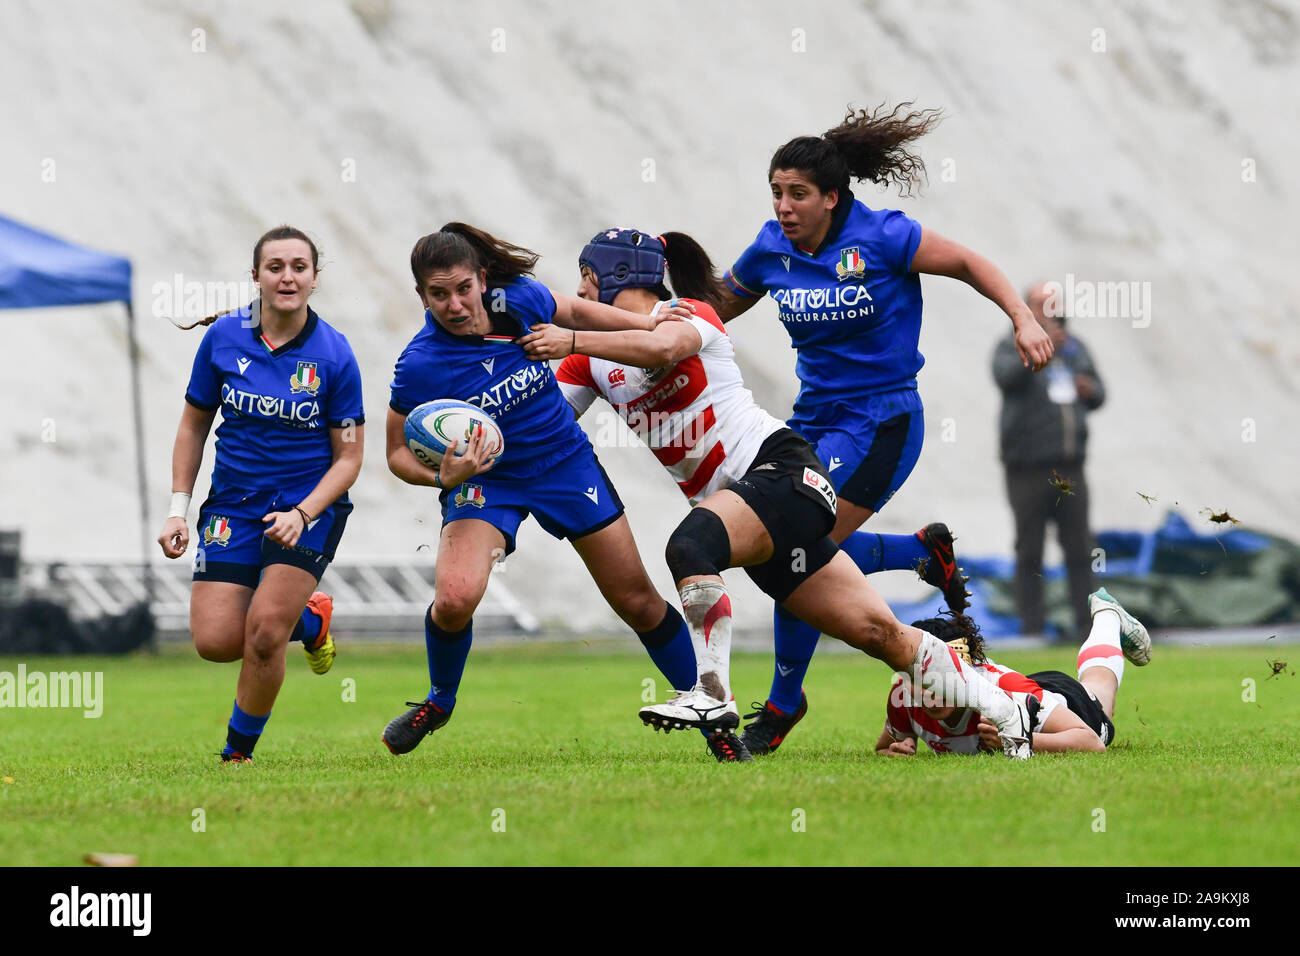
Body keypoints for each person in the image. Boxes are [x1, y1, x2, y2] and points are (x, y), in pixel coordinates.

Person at [520, 227, 1037, 762]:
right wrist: (478, 430)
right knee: (881, 633)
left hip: (784, 472)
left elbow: (661, 345)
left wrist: (572, 336)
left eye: (585, 280)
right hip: (760, 511)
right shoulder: (589, 361)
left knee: (689, 547)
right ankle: (1004, 708)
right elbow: (549, 423)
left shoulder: (687, 313)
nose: (579, 295)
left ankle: (712, 695)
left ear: (617, 277)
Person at [705, 103, 1056, 754]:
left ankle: (783, 704)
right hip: (812, 423)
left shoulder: (884, 236)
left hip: (882, 423)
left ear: (832, 198)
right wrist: (646, 318)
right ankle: (919, 553)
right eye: (777, 192)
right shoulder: (770, 249)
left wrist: (1022, 317)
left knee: (793, 549)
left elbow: (970, 263)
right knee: (790, 550)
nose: (784, 206)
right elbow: (713, 308)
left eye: (799, 194)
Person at [380, 222, 711, 756]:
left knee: (637, 601)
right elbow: (396, 455)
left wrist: (646, 320)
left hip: (565, 464)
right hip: (488, 484)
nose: (455, 304)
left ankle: (710, 712)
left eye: (463, 288)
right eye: (438, 294)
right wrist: (444, 476)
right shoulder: (419, 364)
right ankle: (439, 701)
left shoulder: (521, 302)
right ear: (422, 295)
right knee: (455, 599)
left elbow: (577, 313)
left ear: (482, 279)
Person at [156, 226, 363, 764]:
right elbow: (192, 427)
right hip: (233, 505)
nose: (287, 276)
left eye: (299, 266)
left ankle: (236, 755)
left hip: (309, 506)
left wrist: (303, 512)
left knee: (266, 633)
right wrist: (178, 510)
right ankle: (311, 620)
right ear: (256, 276)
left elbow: (349, 459)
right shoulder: (223, 338)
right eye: (275, 267)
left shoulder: (335, 354)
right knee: (217, 642)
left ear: (315, 278)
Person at [877, 588, 1150, 756]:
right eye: (922, 682)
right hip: (1032, 691)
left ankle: (1107, 615)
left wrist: (1020, 739)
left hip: (1059, 701)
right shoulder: (906, 696)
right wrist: (897, 749)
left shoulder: (1007, 689)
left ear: (966, 673)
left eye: (943, 682)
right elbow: (884, 748)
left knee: (1101, 700)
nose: (931, 695)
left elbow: (1091, 744)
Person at [994, 280, 1106, 640]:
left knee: (1080, 550)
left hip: (1071, 467)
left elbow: (1100, 392)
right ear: (1026, 308)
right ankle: (1033, 630)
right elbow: (1005, 377)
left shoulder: (1075, 349)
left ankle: (1087, 629)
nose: (1050, 310)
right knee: (1030, 551)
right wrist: (1038, 352)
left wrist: (1088, 387)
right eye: (1041, 304)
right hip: (1027, 468)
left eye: (1054, 303)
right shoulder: (1009, 343)